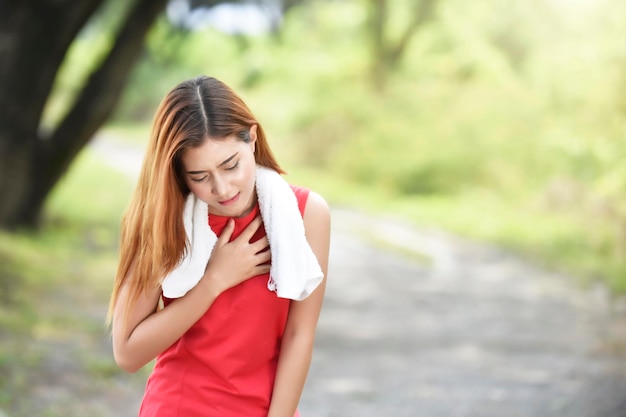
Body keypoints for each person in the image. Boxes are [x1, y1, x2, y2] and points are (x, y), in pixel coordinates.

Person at [107, 75, 330, 417]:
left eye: (231, 165)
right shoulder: (163, 221)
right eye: (200, 177)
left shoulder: (305, 214)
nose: (223, 189)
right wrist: (214, 281)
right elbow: (127, 353)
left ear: (252, 138)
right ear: (179, 174)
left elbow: (300, 335)